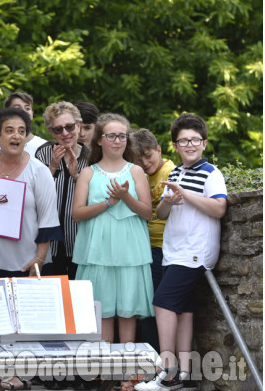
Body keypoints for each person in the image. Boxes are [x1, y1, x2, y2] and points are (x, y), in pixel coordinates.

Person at [0, 108, 62, 391]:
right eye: (9, 130)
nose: (16, 135)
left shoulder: (39, 172)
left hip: (24, 259)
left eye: (21, 130)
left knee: (20, 321)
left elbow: (48, 219)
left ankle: (18, 374)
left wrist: (40, 259)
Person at [135, 114, 227, 391]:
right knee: (184, 311)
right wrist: (171, 200)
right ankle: (184, 375)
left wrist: (185, 194)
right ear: (175, 145)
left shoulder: (211, 173)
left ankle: (168, 372)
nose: (189, 145)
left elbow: (219, 208)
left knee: (162, 303)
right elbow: (161, 212)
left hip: (195, 253)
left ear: (204, 142)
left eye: (194, 140)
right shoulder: (175, 174)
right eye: (183, 140)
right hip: (173, 251)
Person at [71, 113, 154, 391]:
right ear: (100, 140)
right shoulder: (88, 172)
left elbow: (147, 212)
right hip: (98, 250)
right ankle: (105, 372)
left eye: (122, 136)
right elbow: (77, 213)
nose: (117, 140)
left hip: (130, 248)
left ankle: (128, 374)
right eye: (111, 135)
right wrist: (109, 202)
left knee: (127, 311)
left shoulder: (136, 171)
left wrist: (126, 197)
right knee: (103, 311)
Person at [129, 128, 176, 353]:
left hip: (165, 248)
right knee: (146, 306)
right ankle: (151, 358)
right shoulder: (141, 176)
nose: (146, 163)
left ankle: (160, 359)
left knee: (158, 305)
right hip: (145, 248)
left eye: (148, 156)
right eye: (139, 160)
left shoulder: (170, 172)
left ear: (159, 149)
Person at [35, 101, 90, 281]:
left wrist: (76, 176)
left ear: (79, 126)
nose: (65, 133)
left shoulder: (91, 158)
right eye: (58, 129)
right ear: (51, 132)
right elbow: (33, 195)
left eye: (69, 127)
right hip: (47, 242)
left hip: (79, 240)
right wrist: (52, 167)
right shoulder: (43, 153)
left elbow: (96, 199)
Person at [0, 92, 47, 159]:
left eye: (27, 108)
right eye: (17, 108)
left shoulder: (44, 147)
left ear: (32, 113)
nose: (23, 111)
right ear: (6, 112)